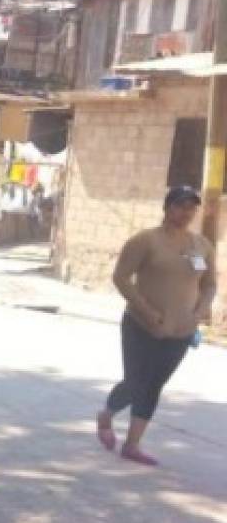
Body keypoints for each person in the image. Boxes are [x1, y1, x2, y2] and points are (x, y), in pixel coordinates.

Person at [96, 185, 217, 466]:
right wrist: (149, 314)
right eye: (179, 205)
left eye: (191, 207)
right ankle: (106, 415)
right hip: (141, 325)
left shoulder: (202, 246)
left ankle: (132, 444)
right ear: (167, 207)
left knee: (154, 385)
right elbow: (122, 278)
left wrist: (199, 312)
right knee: (136, 381)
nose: (186, 212)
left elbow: (210, 285)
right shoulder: (146, 240)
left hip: (180, 331)